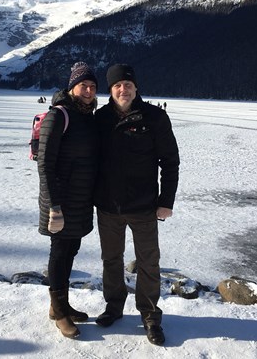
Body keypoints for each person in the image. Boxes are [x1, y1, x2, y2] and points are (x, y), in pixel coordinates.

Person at [94, 64, 180, 346]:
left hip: (144, 206)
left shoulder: (154, 117)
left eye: (128, 84)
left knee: (148, 262)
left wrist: (166, 201)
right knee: (111, 259)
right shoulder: (101, 118)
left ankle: (150, 315)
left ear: (136, 87)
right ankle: (114, 305)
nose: (123, 89)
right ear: (111, 89)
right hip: (108, 205)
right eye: (117, 85)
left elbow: (170, 162)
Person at [37, 61, 98, 339]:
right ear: (72, 87)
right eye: (83, 85)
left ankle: (59, 305)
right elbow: (45, 165)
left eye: (92, 86)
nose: (88, 90)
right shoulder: (59, 115)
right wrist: (54, 206)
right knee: (60, 252)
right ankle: (59, 312)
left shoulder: (86, 116)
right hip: (61, 201)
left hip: (81, 199)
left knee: (70, 250)